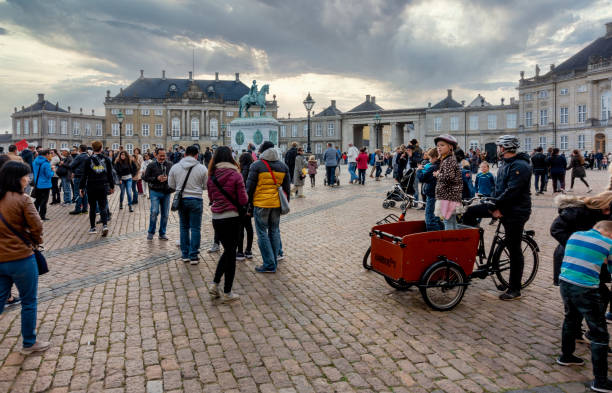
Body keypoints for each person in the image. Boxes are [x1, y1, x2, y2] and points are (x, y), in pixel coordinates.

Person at [462, 135, 532, 301]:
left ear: (505, 148)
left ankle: (515, 289)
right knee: (469, 213)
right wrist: (489, 200)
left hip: (516, 210)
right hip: (502, 205)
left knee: (513, 248)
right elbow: (499, 188)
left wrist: (496, 207)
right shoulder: (505, 164)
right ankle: (474, 246)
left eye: (500, 147)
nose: (498, 150)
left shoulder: (520, 166)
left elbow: (513, 192)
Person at [0, 161, 50, 355]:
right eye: (26, 176)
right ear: (17, 178)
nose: (28, 179)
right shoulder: (23, 199)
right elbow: (37, 226)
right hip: (21, 257)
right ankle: (29, 343)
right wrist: (35, 242)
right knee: (29, 301)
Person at [556, 220, 612, 392]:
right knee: (599, 333)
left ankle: (566, 356)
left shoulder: (575, 235)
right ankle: (600, 381)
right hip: (586, 289)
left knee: (571, 318)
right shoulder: (608, 243)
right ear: (608, 233)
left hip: (565, 282)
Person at [207, 146, 248, 301]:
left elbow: (211, 197)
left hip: (216, 218)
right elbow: (243, 199)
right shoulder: (236, 174)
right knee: (230, 252)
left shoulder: (211, 175)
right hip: (232, 217)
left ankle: (224, 289)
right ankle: (218, 285)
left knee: (229, 253)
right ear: (230, 157)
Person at [246, 141, 290, 273]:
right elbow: (287, 189)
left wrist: (247, 204)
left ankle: (269, 264)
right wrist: (285, 202)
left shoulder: (257, 165)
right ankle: (274, 261)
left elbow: (249, 188)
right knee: (274, 231)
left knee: (262, 233)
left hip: (261, 204)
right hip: (276, 204)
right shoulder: (283, 166)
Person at [168, 145, 208, 264]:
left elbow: (171, 185)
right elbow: (206, 186)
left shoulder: (175, 167)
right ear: (197, 155)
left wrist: (180, 187)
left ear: (184, 154)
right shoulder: (202, 168)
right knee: (195, 228)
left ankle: (185, 254)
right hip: (196, 199)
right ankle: (194, 255)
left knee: (184, 227)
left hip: (182, 200)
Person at [79, 141, 115, 236]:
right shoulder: (106, 159)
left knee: (93, 208)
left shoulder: (88, 159)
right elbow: (110, 174)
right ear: (101, 148)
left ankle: (93, 227)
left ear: (93, 148)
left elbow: (84, 175)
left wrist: (81, 188)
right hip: (102, 185)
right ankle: (105, 225)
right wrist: (112, 186)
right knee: (103, 206)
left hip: (91, 186)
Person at [433, 135, 462, 230]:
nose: (439, 147)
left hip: (447, 196)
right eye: (438, 146)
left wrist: (438, 175)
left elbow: (449, 177)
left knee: (447, 221)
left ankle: (449, 242)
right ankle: (455, 242)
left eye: (442, 145)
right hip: (451, 196)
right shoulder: (449, 159)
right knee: (452, 221)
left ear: (450, 147)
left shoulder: (448, 160)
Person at [144, 148, 173, 240]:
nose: (162, 157)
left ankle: (162, 233)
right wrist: (157, 178)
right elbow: (145, 177)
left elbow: (174, 177)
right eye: (160, 155)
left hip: (166, 192)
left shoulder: (170, 164)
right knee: (154, 212)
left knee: (165, 214)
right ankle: (151, 232)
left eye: (164, 155)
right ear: (156, 155)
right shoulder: (151, 165)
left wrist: (168, 178)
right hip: (155, 191)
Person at [417, 148, 443, 231]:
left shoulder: (433, 167)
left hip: (432, 195)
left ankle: (434, 239)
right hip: (439, 195)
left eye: (431, 158)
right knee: (437, 218)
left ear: (436, 157)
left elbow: (422, 178)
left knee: (430, 220)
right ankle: (442, 235)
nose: (429, 160)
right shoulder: (442, 165)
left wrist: (418, 170)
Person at [237, 145, 255, 260]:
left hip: (242, 203)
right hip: (251, 203)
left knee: (240, 227)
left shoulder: (241, 172)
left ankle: (240, 252)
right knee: (249, 227)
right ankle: (248, 250)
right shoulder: (254, 170)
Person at [32, 149, 54, 221]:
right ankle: (42, 216)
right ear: (47, 154)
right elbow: (48, 175)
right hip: (45, 185)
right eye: (49, 154)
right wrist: (53, 171)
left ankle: (34, 214)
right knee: (44, 201)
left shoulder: (35, 161)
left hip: (37, 183)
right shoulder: (46, 163)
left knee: (38, 200)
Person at [69, 145, 89, 215]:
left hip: (79, 176)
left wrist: (74, 170)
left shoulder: (79, 156)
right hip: (86, 177)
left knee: (78, 192)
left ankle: (78, 209)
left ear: (80, 150)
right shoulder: (88, 156)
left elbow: (71, 165)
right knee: (84, 192)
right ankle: (85, 209)